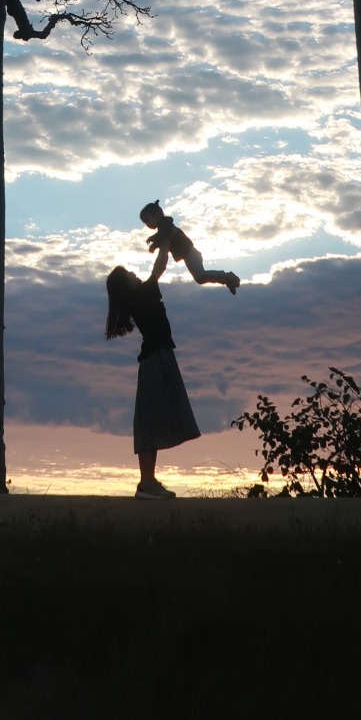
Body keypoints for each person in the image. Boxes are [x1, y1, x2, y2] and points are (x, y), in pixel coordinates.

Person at [105, 254, 201, 498]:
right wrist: (166, 239)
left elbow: (156, 270)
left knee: (153, 421)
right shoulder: (142, 295)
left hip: (159, 359)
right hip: (155, 360)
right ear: (127, 285)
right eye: (129, 275)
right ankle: (146, 483)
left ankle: (148, 481)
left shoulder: (140, 296)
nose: (134, 274)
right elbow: (159, 268)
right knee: (149, 422)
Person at [139, 201, 240, 294]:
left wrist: (154, 242)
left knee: (201, 276)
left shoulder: (166, 225)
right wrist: (154, 241)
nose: (148, 224)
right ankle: (226, 279)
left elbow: (165, 234)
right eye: (146, 223)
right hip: (189, 254)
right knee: (200, 278)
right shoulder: (164, 227)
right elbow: (163, 236)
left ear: (157, 214)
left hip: (191, 254)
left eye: (148, 220)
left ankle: (227, 277)